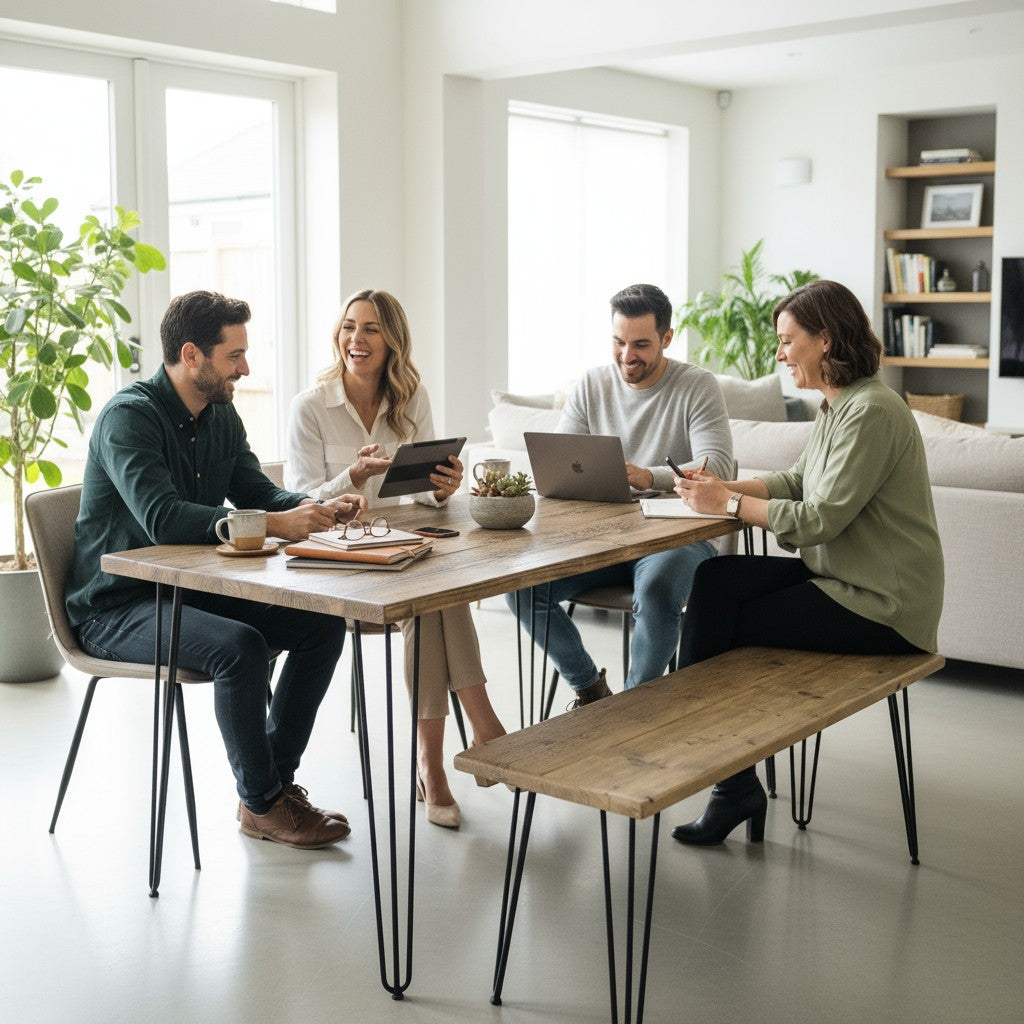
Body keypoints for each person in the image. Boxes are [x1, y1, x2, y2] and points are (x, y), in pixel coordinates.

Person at [66, 291, 366, 851]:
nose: (245, 368)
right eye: (234, 356)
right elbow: (162, 518)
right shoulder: (127, 418)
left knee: (320, 624)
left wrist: (315, 508)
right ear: (192, 355)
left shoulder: (221, 413)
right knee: (239, 648)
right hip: (117, 605)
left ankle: (269, 791)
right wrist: (279, 525)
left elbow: (259, 492)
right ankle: (263, 802)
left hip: (191, 592)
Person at [670, 279, 944, 846]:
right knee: (714, 579)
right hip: (840, 578)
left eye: (786, 340)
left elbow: (819, 518)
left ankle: (721, 776)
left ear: (824, 339)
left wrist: (729, 505)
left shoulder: (870, 412)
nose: (779, 353)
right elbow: (797, 480)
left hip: (881, 604)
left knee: (721, 627)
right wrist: (724, 485)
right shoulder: (839, 405)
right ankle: (730, 778)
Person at [286, 288, 506, 829]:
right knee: (435, 596)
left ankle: (431, 764)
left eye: (371, 329)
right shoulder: (310, 407)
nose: (356, 340)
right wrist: (351, 479)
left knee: (434, 598)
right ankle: (481, 725)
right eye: (348, 327)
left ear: (392, 342)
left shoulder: (411, 399)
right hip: (335, 559)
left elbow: (424, 493)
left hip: (399, 548)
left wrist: (443, 487)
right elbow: (294, 501)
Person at [504, 282, 733, 704]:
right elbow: (560, 461)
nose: (627, 356)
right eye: (618, 342)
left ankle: (632, 710)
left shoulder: (697, 386)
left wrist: (651, 478)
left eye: (641, 344)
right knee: (522, 588)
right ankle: (591, 690)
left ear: (667, 338)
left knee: (658, 591)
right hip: (603, 538)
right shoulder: (591, 385)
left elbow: (717, 467)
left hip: (674, 538)